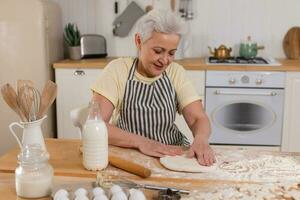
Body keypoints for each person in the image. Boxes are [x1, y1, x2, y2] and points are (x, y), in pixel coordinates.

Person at [91, 10, 215, 166]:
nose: (164, 60)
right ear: (138, 41)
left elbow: (198, 118)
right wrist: (142, 143)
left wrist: (201, 139)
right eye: (158, 51)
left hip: (172, 154)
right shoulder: (117, 70)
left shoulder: (175, 72)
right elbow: (95, 125)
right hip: (128, 155)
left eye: (171, 53)